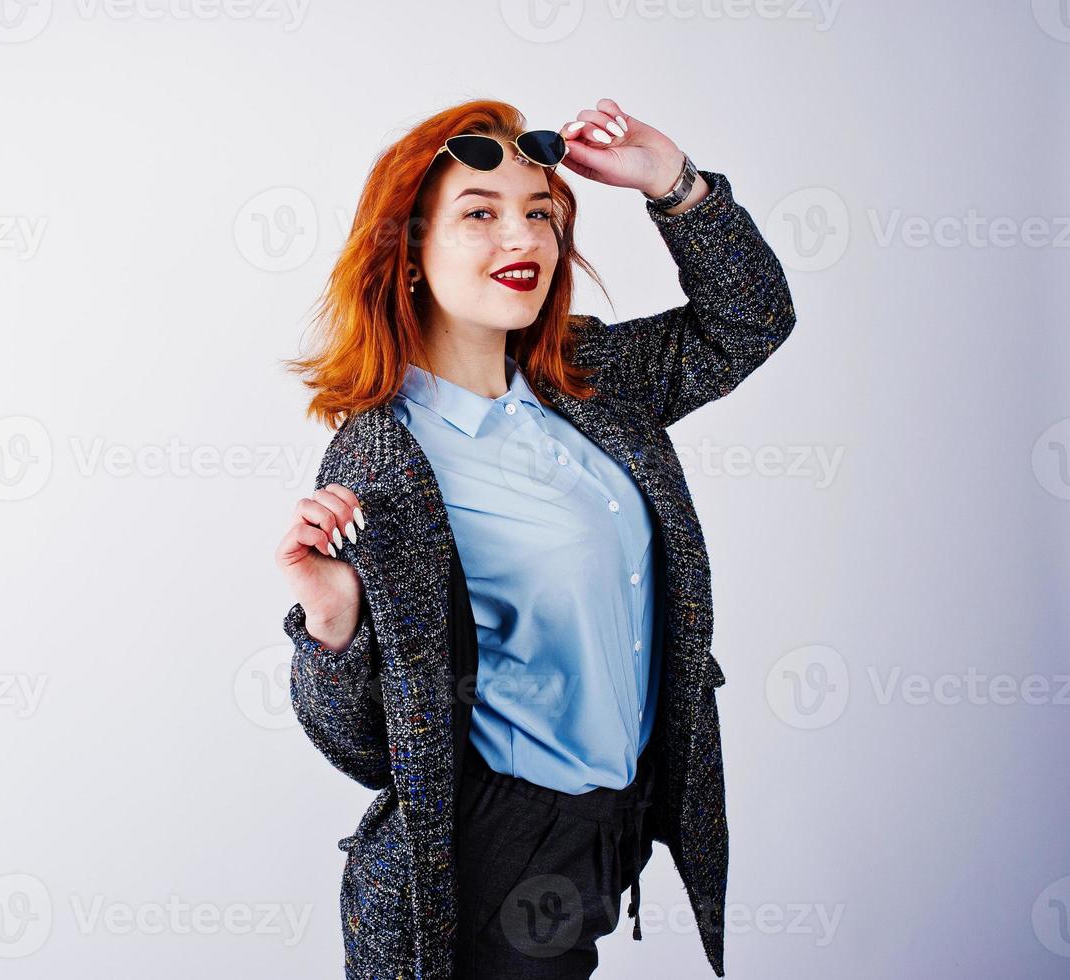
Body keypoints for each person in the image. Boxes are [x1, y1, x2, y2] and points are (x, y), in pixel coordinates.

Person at [275, 97, 797, 979]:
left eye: (539, 213)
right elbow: (370, 751)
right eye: (479, 213)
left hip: (613, 821)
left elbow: (749, 322)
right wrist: (329, 627)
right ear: (406, 250)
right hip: (493, 857)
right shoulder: (384, 458)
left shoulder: (583, 379)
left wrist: (674, 185)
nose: (521, 238)